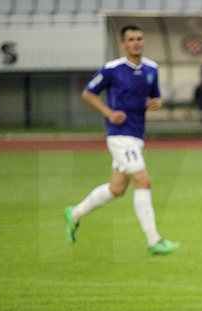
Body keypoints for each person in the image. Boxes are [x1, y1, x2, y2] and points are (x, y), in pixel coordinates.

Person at [63, 25, 180, 255]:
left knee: (117, 189)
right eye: (131, 39)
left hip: (137, 135)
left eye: (139, 38)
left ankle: (74, 213)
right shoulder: (112, 69)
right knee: (144, 182)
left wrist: (158, 102)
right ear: (123, 44)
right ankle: (153, 240)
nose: (136, 42)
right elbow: (88, 93)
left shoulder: (151, 69)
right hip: (119, 136)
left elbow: (155, 96)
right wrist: (108, 113)